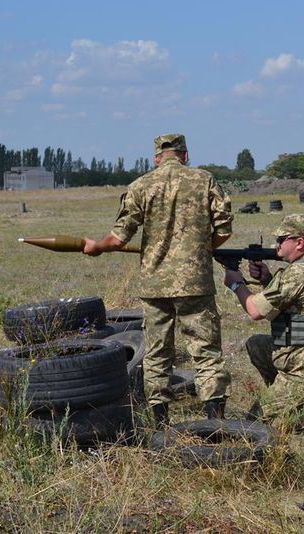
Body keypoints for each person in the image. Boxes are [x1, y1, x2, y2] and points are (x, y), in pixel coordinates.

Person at [83, 133, 233, 425]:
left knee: (156, 353)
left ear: (156, 158)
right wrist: (201, 252)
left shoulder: (141, 186)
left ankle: (160, 423)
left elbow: (118, 237)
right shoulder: (205, 180)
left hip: (155, 285)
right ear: (185, 155)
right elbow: (224, 230)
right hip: (196, 282)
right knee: (206, 351)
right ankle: (216, 420)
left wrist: (97, 247)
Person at [222, 213, 304, 437]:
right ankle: (291, 397)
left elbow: (255, 311)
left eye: (282, 239)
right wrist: (266, 280)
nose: (277, 245)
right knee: (256, 344)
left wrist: (236, 284)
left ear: (299, 242)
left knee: (261, 422)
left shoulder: (299, 272)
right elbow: (295, 305)